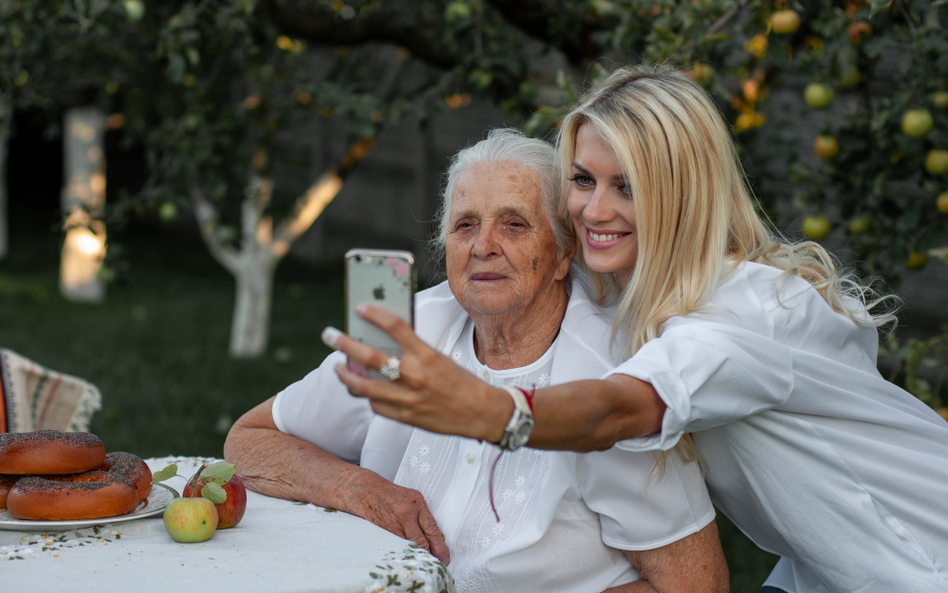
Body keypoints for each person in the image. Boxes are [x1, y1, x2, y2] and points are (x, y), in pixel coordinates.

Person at [329, 66, 948, 593]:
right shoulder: (638, 290)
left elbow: (618, 410)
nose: (593, 211)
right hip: (818, 568)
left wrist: (490, 411)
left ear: (682, 192)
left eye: (627, 186)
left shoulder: (744, 310)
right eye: (583, 180)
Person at [225, 128, 728, 593]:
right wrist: (357, 486)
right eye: (466, 226)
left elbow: (697, 585)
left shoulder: (611, 381)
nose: (484, 246)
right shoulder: (409, 331)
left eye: (514, 224)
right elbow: (249, 441)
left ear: (561, 255)